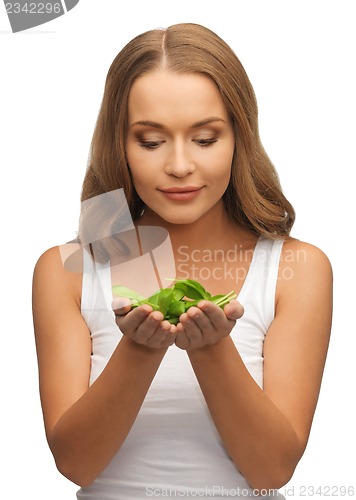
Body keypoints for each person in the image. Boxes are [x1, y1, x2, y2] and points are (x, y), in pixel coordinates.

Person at [32, 23, 333, 499]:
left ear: (240, 137)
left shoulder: (296, 269)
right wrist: (141, 349)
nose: (178, 165)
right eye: (150, 141)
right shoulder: (68, 269)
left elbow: (271, 471)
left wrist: (211, 350)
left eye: (205, 139)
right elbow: (75, 464)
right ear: (120, 146)